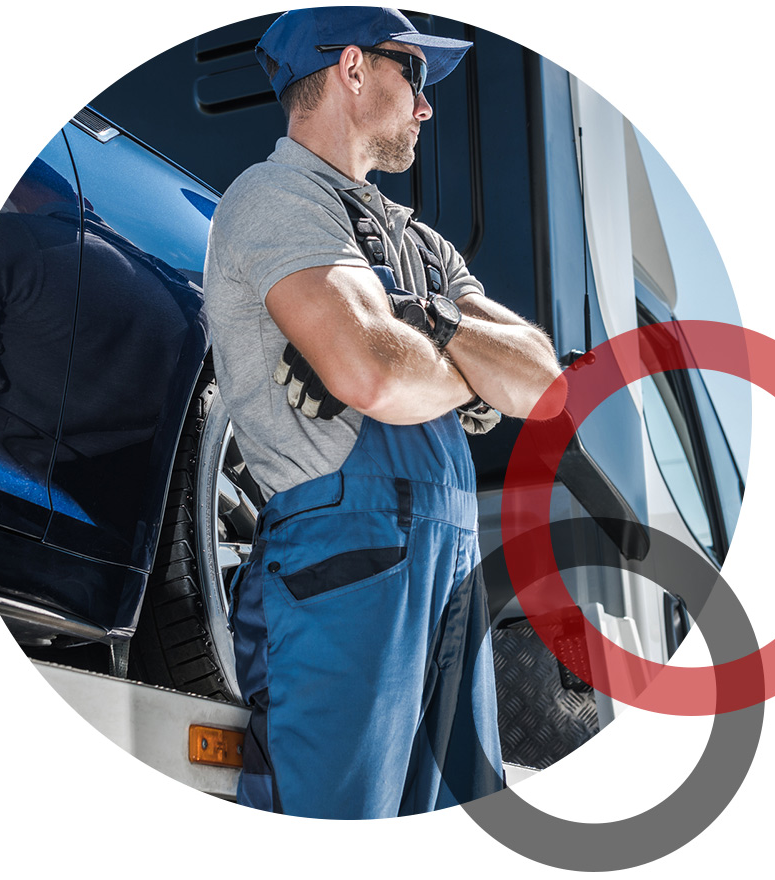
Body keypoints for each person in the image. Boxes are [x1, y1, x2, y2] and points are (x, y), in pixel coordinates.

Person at [203, 7, 564, 819]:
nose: (427, 105)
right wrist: (471, 372)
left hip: (449, 562)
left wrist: (425, 318)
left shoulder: (423, 247)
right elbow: (370, 372)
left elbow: (541, 384)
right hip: (343, 551)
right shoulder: (274, 196)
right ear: (354, 68)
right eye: (416, 74)